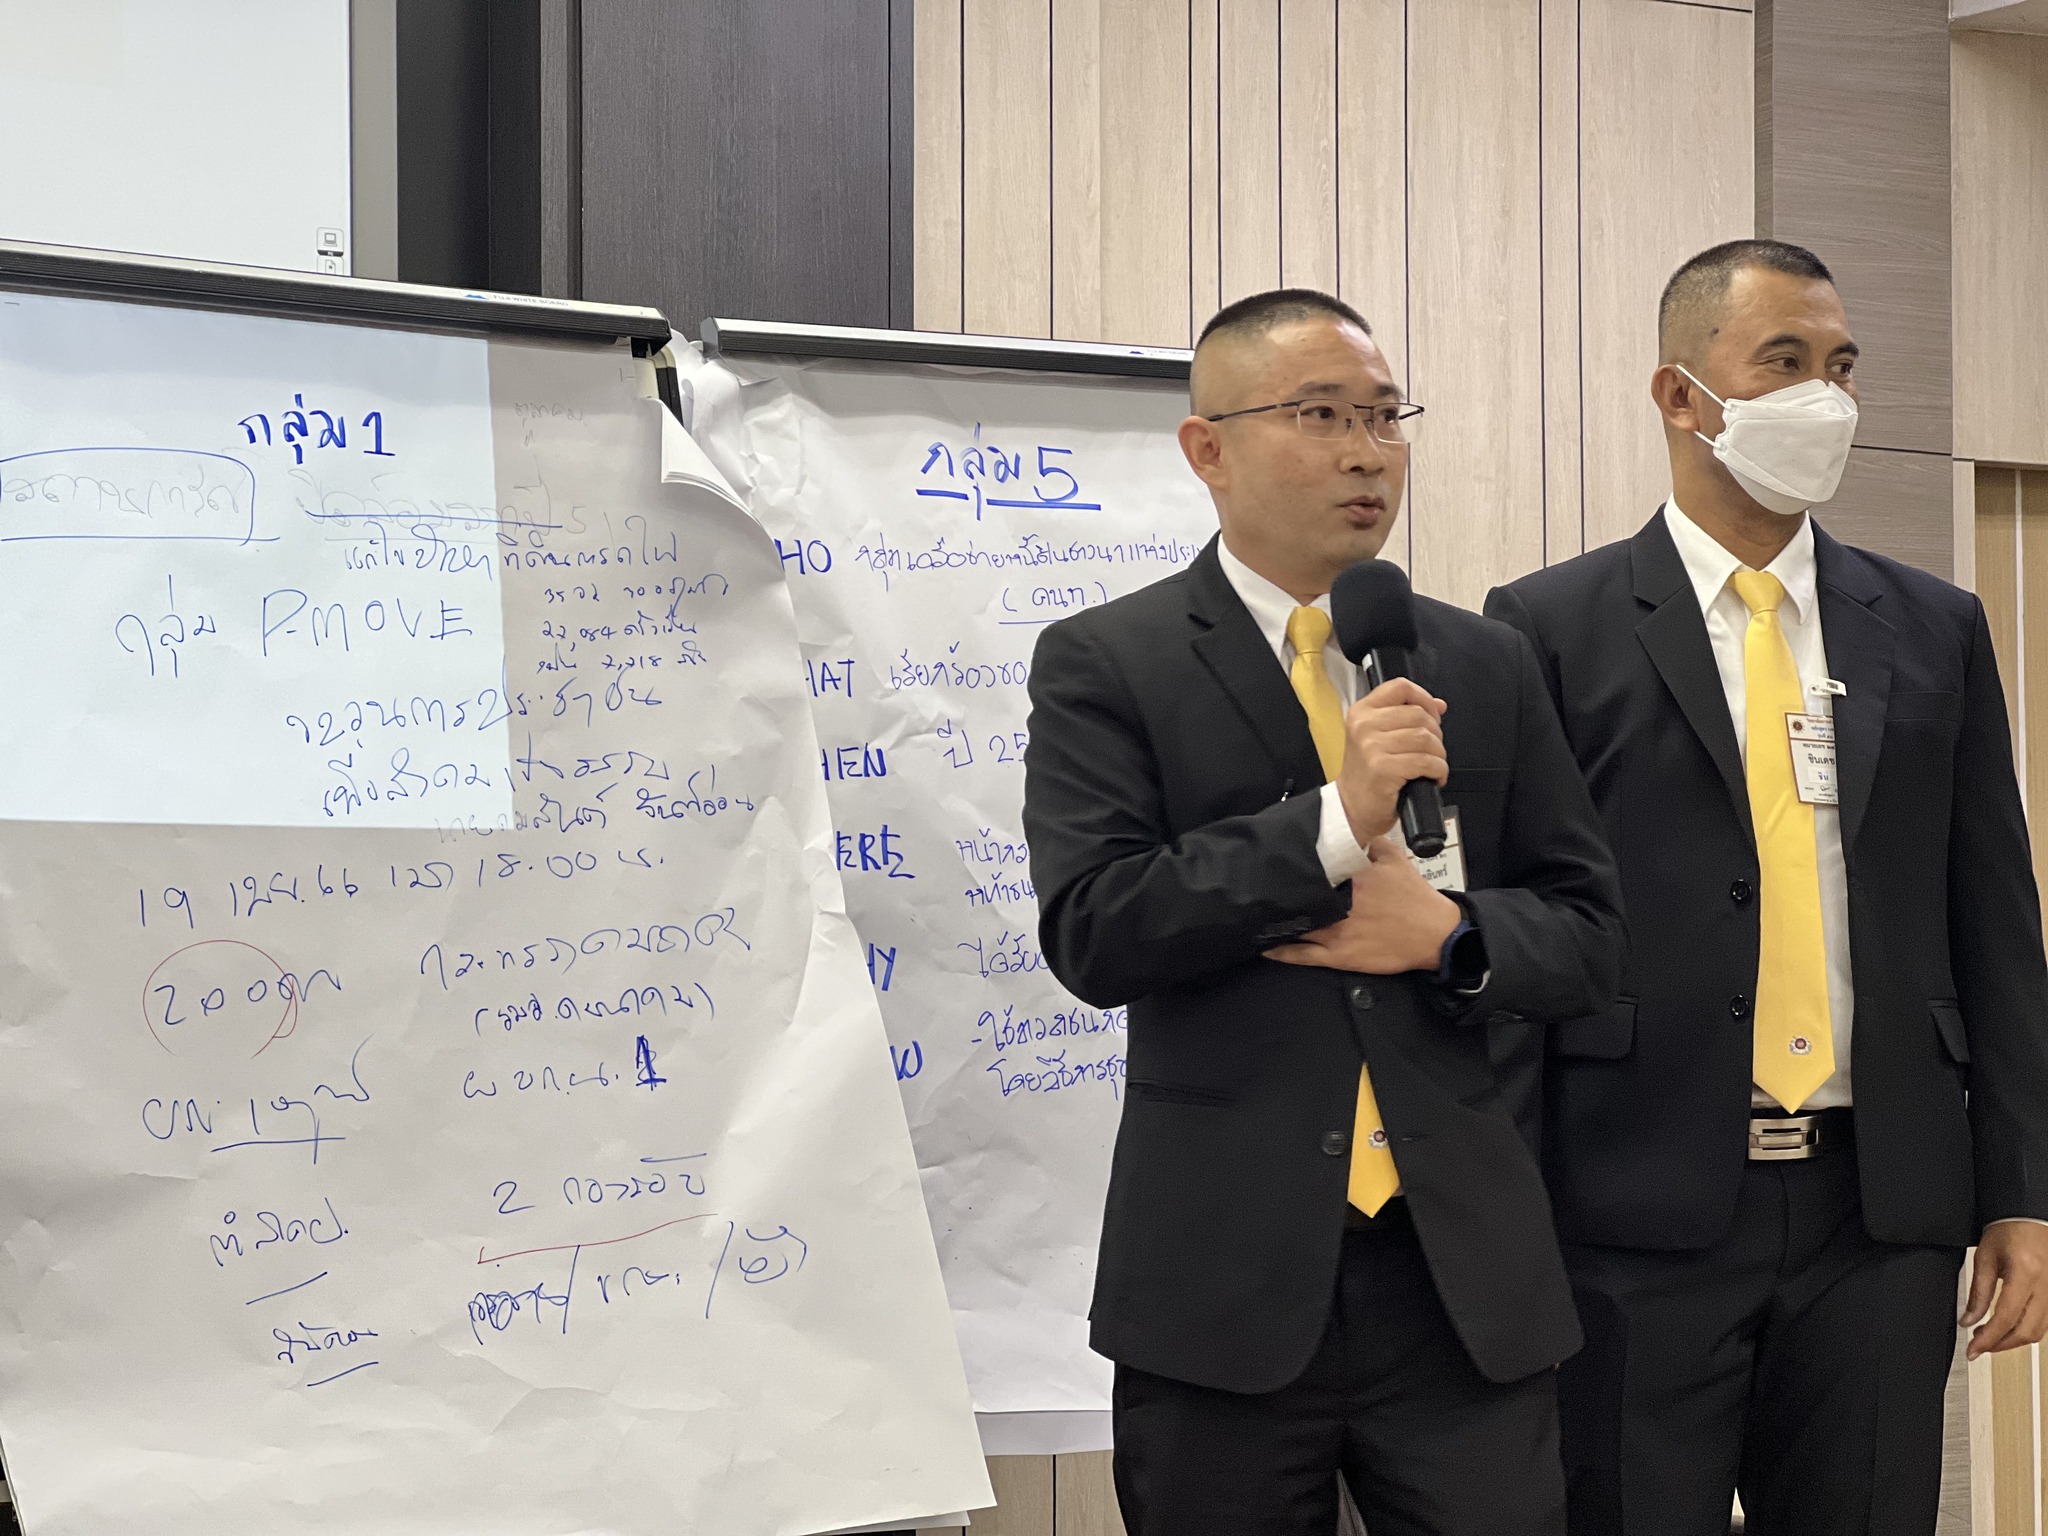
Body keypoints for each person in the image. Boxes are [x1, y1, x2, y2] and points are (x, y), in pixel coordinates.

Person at [1021, 288, 1624, 1536]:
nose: (1365, 453)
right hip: (1222, 1285)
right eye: (1319, 415)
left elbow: (1590, 938)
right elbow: (1095, 927)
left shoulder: (1481, 661)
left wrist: (1453, 940)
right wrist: (1333, 825)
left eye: (1384, 417)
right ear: (1207, 449)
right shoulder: (1108, 660)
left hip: (1460, 1284)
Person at [1486, 238, 2048, 1536]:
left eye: (1840, 367)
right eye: (1782, 363)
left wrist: (2020, 1188)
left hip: (1879, 1207)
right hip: (1630, 1202)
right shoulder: (1547, 626)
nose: (1823, 399)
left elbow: (1993, 922)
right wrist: (1504, 1219)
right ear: (1679, 395)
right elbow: (1517, 934)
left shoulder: (1933, 625)